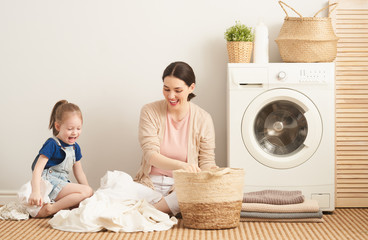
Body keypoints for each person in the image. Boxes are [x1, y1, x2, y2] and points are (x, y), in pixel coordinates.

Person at [135, 61, 217, 216]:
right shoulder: (149, 111)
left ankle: (149, 212)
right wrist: (183, 166)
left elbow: (206, 161)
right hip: (149, 185)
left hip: (182, 187)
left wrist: (212, 173)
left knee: (195, 190)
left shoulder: (203, 119)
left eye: (177, 90)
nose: (170, 96)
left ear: (191, 88)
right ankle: (156, 211)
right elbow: (150, 155)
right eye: (166, 89)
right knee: (114, 184)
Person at [29, 100, 93, 217]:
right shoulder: (52, 144)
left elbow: (80, 173)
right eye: (70, 129)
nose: (75, 132)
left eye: (78, 128)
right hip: (49, 183)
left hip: (62, 183)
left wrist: (89, 194)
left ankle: (56, 206)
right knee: (86, 191)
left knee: (82, 200)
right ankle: (50, 208)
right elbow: (37, 170)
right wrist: (36, 191)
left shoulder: (75, 147)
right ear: (58, 126)